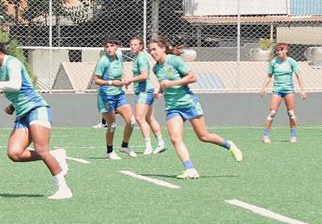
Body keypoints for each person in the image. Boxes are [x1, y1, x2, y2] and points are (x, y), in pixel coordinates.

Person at [0, 36, 71, 200]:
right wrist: (13, 106)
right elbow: (22, 90)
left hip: (37, 110)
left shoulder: (13, 62)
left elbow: (16, 85)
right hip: (23, 114)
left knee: (42, 150)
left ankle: (63, 188)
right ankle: (56, 155)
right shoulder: (2, 69)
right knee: (14, 153)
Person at [148, 36, 243, 179]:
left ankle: (229, 145)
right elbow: (164, 83)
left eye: (154, 49)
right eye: (150, 50)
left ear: (163, 48)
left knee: (204, 136)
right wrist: (160, 91)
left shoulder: (174, 60)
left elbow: (192, 77)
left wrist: (171, 84)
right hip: (172, 107)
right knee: (175, 138)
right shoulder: (156, 68)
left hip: (188, 103)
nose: (152, 52)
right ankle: (190, 169)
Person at [93, 39, 136, 159]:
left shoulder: (119, 55)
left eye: (111, 46)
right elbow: (96, 80)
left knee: (131, 121)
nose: (109, 49)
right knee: (112, 125)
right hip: (106, 97)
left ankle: (124, 146)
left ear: (117, 47)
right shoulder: (103, 61)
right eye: (106, 47)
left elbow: (121, 70)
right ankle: (110, 151)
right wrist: (112, 82)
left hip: (119, 95)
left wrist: (124, 80)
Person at [121, 36, 165, 155]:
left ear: (141, 46)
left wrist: (130, 80)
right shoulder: (137, 57)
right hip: (144, 91)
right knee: (149, 118)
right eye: (131, 45)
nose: (132, 47)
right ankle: (161, 143)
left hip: (145, 91)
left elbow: (145, 75)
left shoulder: (141, 58)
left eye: (136, 45)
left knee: (140, 118)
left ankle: (148, 146)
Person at [259, 42, 307, 143]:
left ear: (286, 50)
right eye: (277, 50)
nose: (279, 51)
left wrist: (302, 90)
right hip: (277, 91)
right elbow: (269, 76)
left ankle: (293, 136)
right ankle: (265, 136)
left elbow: (299, 75)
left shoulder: (291, 62)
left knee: (291, 113)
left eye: (281, 49)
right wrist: (263, 88)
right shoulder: (273, 62)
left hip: (289, 91)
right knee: (272, 113)